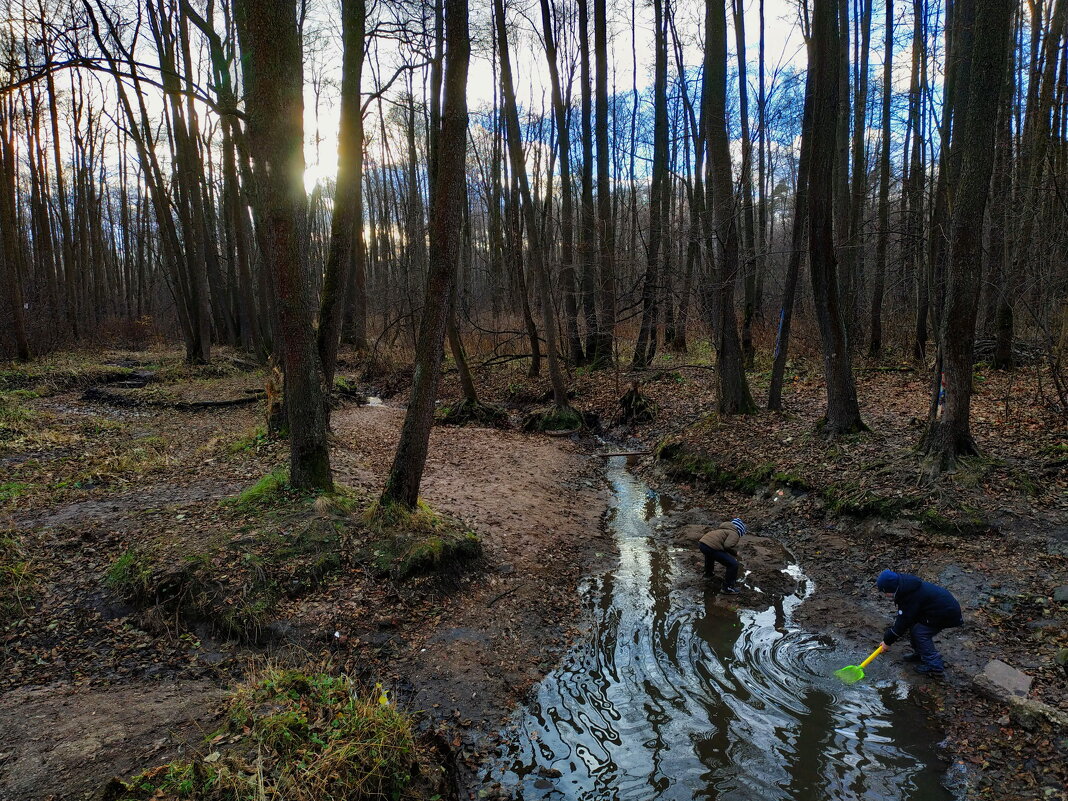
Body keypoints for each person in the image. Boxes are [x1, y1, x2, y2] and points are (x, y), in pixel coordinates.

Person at [877, 570, 963, 676]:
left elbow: (902, 623)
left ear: (891, 588)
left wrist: (887, 641)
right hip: (933, 610)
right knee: (914, 627)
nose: (885, 595)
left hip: (946, 614)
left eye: (885, 592)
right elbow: (907, 618)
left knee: (920, 632)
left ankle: (934, 666)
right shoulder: (904, 586)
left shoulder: (909, 595)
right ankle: (921, 654)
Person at [679, 518, 747, 593]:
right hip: (711, 546)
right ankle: (728, 588)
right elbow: (727, 546)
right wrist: (735, 553)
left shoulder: (722, 530)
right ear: (740, 530)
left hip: (702, 544)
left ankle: (708, 574)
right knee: (733, 564)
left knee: (710, 555)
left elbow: (719, 544)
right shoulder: (734, 533)